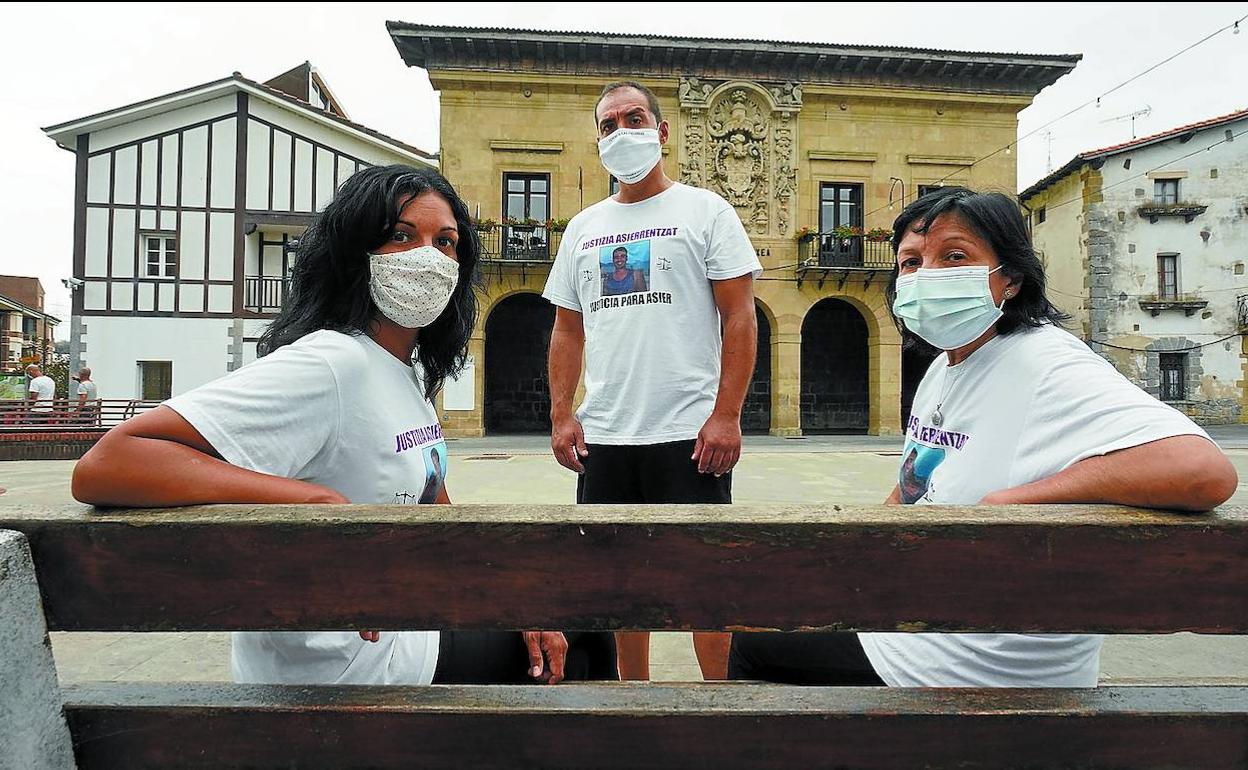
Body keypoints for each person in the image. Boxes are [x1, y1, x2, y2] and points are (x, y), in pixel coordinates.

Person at [73, 164, 613, 686]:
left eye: (445, 243)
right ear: (354, 253)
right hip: (344, 663)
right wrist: (315, 504)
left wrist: (505, 596)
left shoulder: (404, 371)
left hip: (395, 631)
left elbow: (434, 509)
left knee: (564, 620)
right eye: (401, 237)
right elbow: (109, 462)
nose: (428, 258)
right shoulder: (333, 363)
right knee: (588, 639)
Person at [729, 187, 1237, 687]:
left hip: (979, 658)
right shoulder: (945, 367)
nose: (926, 275)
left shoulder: (1045, 360)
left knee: (746, 640)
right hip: (934, 621)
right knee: (767, 598)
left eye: (954, 256)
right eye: (910, 262)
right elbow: (912, 488)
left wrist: (1011, 502)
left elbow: (1203, 471)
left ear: (1010, 278)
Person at [543, 80, 762, 681]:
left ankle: (718, 703)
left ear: (662, 132)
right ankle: (630, 699)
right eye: (608, 124)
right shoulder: (584, 227)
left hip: (688, 434)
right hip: (607, 435)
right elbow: (567, 329)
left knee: (702, 583)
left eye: (633, 118)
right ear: (597, 140)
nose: (621, 132)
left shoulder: (706, 211)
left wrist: (727, 414)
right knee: (620, 585)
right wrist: (563, 414)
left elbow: (739, 316)